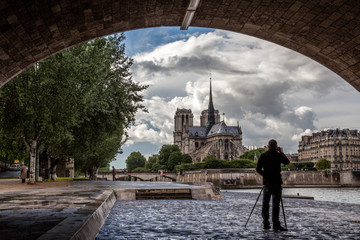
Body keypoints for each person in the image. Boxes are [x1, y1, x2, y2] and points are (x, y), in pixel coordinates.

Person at [256, 139, 290, 231]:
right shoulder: (278, 155)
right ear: (276, 146)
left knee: (265, 204)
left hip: (267, 182)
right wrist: (281, 152)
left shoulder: (263, 155)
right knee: (276, 204)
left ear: (268, 146)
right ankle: (276, 224)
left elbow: (258, 169)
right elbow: (287, 162)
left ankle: (266, 224)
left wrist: (266, 175)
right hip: (276, 182)